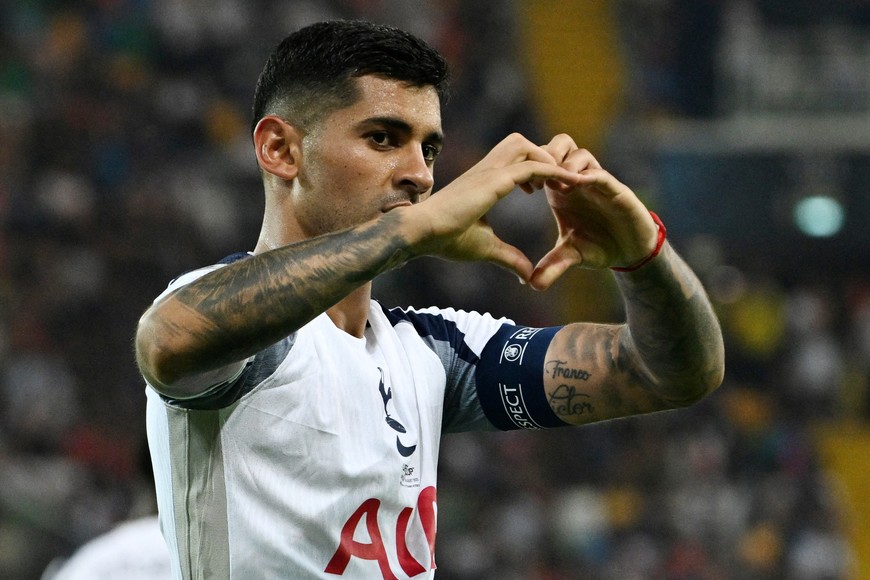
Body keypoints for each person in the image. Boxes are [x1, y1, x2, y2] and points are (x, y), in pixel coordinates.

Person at [135, 20, 725, 579]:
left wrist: (642, 255)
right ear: (281, 150)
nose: (419, 175)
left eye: (431, 150)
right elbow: (168, 340)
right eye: (383, 138)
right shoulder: (231, 323)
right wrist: (411, 232)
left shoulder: (432, 351)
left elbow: (667, 373)